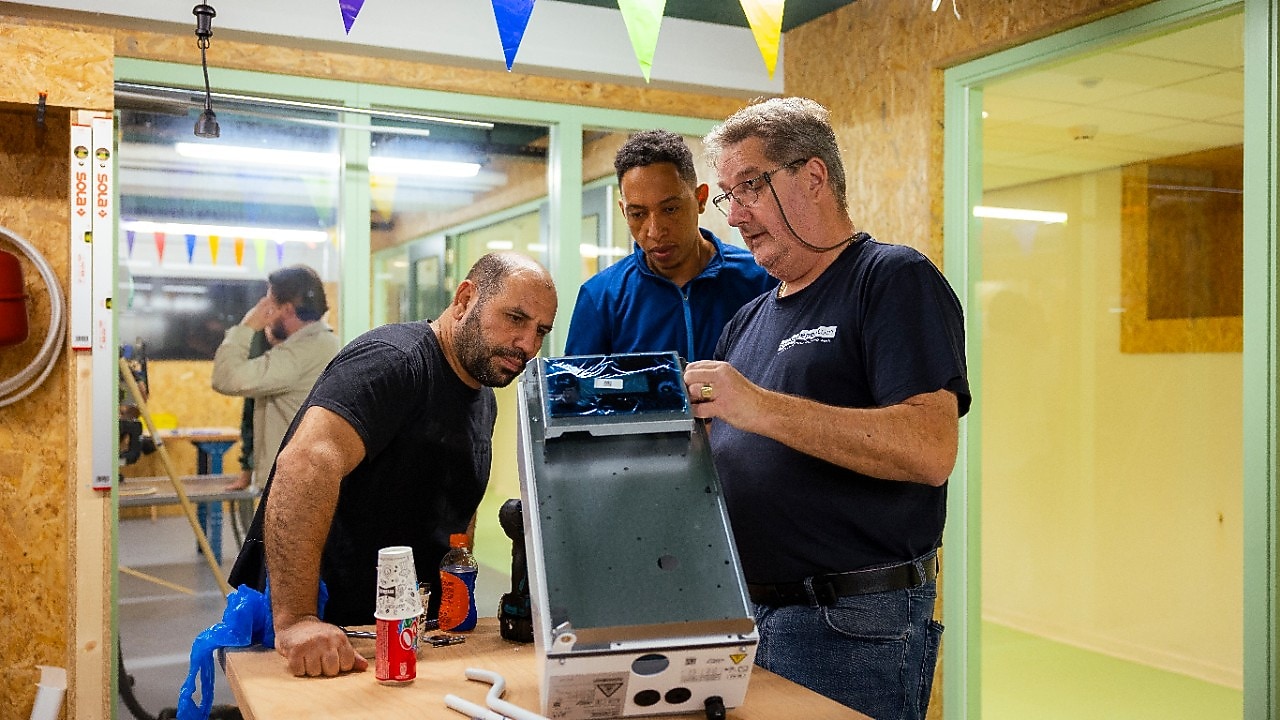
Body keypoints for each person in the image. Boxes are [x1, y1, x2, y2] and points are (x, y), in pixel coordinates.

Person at [681, 97, 970, 720]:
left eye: (750, 187)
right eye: (728, 197)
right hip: (748, 617)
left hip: (851, 626)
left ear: (812, 177)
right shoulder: (748, 321)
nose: (737, 218)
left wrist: (757, 406)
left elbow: (929, 449)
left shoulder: (891, 279)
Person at [228, 252, 557, 678]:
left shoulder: (482, 398)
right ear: (465, 299)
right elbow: (304, 464)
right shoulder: (394, 361)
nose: (528, 344)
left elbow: (457, 505)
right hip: (326, 635)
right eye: (515, 318)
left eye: (541, 331)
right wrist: (297, 620)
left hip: (398, 637)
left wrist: (449, 606)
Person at [565, 129, 775, 361]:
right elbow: (576, 394)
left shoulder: (762, 279)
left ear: (700, 199)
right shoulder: (601, 297)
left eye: (670, 209)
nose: (655, 231)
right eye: (638, 214)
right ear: (624, 211)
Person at [212, 265, 341, 490]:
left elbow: (226, 377)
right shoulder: (319, 344)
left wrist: (247, 326)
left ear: (288, 310)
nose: (264, 311)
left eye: (269, 304)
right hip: (297, 481)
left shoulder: (303, 351)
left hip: (292, 487)